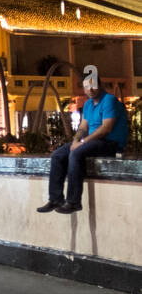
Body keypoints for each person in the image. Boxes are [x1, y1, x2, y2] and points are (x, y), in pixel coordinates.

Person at [38, 79, 128, 214]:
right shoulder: (88, 104)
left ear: (100, 86)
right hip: (92, 142)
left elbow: (106, 128)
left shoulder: (109, 100)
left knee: (76, 153)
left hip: (111, 143)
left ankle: (74, 202)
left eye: (93, 86)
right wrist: (75, 141)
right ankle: (56, 199)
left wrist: (83, 142)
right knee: (57, 155)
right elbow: (83, 127)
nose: (90, 90)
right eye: (87, 87)